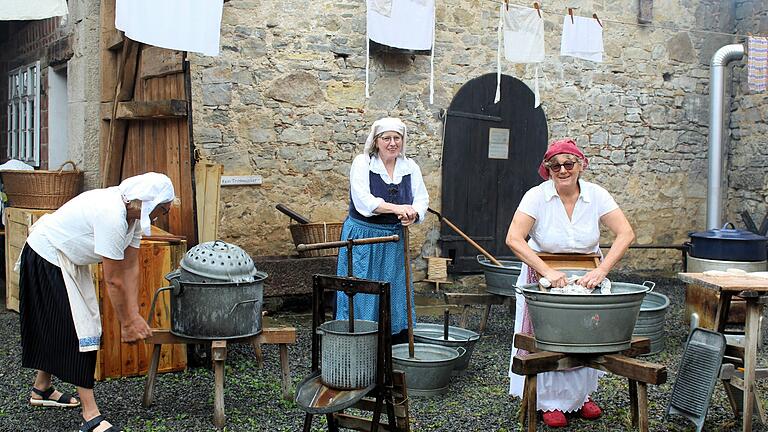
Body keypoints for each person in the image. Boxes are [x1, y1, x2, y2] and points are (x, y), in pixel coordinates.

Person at [19, 172, 176, 432]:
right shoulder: (111, 215)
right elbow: (113, 279)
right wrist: (126, 322)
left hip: (67, 259)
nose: (164, 214)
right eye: (163, 208)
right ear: (148, 203)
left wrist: (134, 313)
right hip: (46, 255)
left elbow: (131, 267)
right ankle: (90, 414)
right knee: (81, 329)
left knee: (68, 324)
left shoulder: (132, 217)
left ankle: (42, 388)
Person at [505, 138, 634, 428]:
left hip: (586, 275)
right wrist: (546, 271)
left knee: (586, 333)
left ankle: (580, 397)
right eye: (555, 165)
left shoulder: (597, 195)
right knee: (547, 336)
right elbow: (514, 239)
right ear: (547, 170)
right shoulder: (536, 197)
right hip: (544, 276)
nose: (563, 170)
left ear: (581, 165)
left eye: (569, 163)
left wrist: (601, 271)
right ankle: (548, 401)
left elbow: (625, 233)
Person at [335, 117, 429, 343]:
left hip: (393, 240)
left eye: (397, 138)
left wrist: (412, 214)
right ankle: (358, 340)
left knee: (394, 291)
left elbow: (422, 198)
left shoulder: (410, 167)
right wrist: (399, 208)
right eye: (386, 138)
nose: (392, 143)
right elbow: (364, 202)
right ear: (376, 141)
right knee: (361, 291)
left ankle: (392, 342)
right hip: (363, 239)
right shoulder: (363, 163)